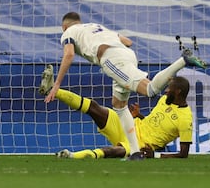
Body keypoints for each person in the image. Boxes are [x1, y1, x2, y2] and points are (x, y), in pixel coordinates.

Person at [44, 12, 205, 159]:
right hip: (126, 54)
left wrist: (58, 83)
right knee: (119, 106)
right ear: (79, 22)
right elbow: (128, 42)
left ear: (64, 27)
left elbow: (69, 54)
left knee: (150, 90)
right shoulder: (95, 26)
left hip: (111, 59)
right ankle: (135, 153)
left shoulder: (68, 33)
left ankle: (183, 60)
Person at [39, 68, 193, 159]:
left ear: (178, 92)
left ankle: (72, 156)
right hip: (129, 125)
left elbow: (184, 154)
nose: (166, 90)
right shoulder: (165, 100)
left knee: (113, 151)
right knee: (94, 108)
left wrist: (156, 155)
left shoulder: (185, 119)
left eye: (169, 88)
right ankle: (53, 90)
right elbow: (157, 125)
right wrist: (139, 116)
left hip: (138, 144)